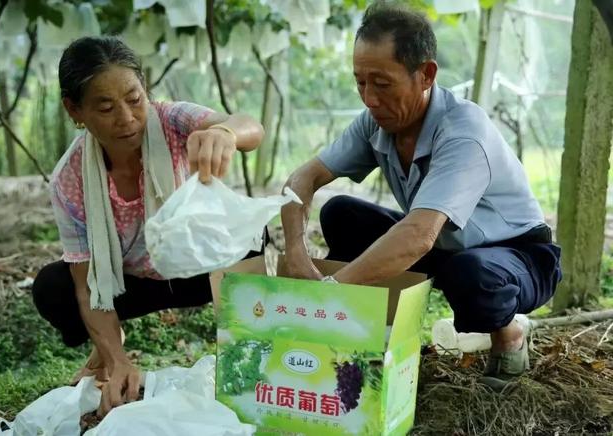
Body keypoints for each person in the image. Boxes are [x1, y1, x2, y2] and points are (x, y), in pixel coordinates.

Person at [281, 2, 561, 391]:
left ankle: (509, 332)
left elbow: (419, 236)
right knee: (341, 213)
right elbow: (303, 177)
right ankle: (371, 329)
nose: (368, 98)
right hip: (445, 247)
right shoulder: (377, 122)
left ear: (426, 74)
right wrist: (295, 251)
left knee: (472, 273)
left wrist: (331, 294)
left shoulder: (462, 132)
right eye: (359, 82)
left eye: (381, 84)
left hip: (515, 257)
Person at [32, 36, 264, 416]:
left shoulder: (173, 121)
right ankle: (108, 347)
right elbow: (88, 285)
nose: (126, 118)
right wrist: (119, 361)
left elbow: (248, 126)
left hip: (195, 269)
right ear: (74, 110)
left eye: (134, 99)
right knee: (52, 287)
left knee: (250, 230)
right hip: (132, 282)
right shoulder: (70, 180)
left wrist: (225, 133)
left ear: (146, 91)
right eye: (105, 107)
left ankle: (250, 348)